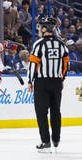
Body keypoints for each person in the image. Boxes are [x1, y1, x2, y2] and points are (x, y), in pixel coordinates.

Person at [27, 17, 70, 153]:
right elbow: (66, 65)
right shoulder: (62, 44)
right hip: (57, 83)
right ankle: (56, 139)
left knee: (41, 113)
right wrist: (60, 79)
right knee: (56, 112)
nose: (39, 29)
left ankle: (45, 142)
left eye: (41, 27)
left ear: (45, 29)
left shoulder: (38, 44)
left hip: (42, 83)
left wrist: (30, 81)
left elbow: (33, 65)